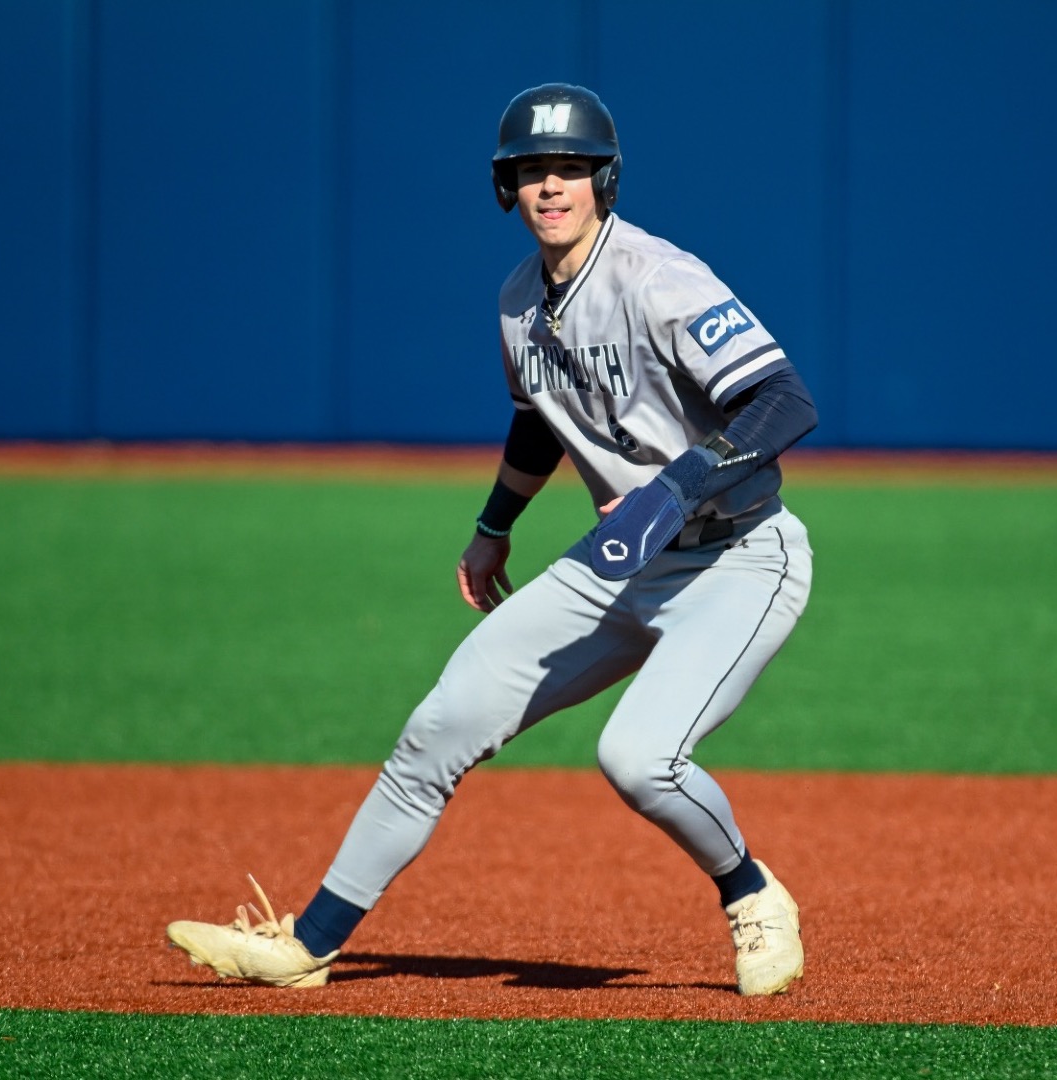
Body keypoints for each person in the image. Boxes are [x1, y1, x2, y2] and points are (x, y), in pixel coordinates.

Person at [165, 83, 819, 997]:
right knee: (439, 727)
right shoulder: (519, 300)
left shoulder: (660, 278)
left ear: (604, 180)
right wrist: (493, 529)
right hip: (618, 567)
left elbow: (785, 401)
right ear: (505, 187)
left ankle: (751, 895)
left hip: (737, 560)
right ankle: (305, 945)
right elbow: (540, 423)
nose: (550, 186)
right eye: (530, 171)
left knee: (638, 760)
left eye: (569, 169)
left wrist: (668, 493)